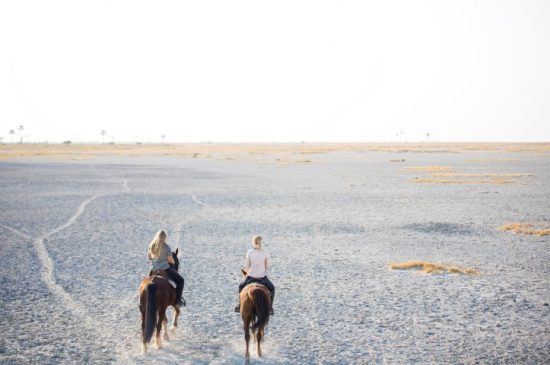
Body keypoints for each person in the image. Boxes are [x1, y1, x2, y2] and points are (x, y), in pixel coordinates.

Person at [235, 235, 275, 314]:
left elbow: (247, 265)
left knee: (240, 287)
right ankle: (270, 308)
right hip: (262, 278)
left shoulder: (250, 252)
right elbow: (267, 266)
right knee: (272, 289)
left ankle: (240, 306)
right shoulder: (265, 252)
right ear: (261, 242)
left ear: (253, 243)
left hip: (250, 277)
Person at [147, 230, 185, 307]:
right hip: (165, 268)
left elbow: (149, 258)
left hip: (153, 269)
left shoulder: (151, 246)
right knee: (181, 281)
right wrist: (173, 263)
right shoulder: (167, 247)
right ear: (165, 238)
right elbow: (170, 260)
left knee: (147, 282)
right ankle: (178, 302)